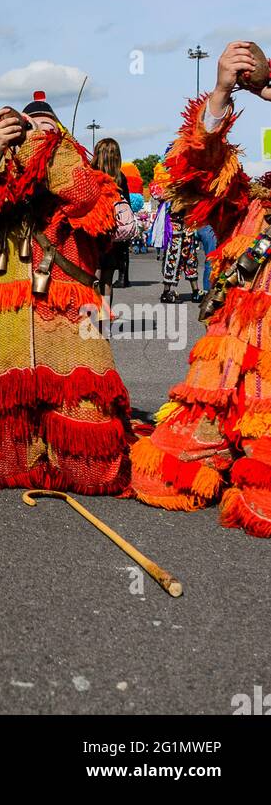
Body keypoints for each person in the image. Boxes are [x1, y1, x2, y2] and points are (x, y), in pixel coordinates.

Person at [0, 91, 132, 494]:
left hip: (68, 318)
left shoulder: (75, 161)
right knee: (2, 468)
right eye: (25, 128)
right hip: (6, 317)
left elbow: (82, 197)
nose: (32, 135)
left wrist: (45, 143)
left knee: (90, 471)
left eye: (43, 127)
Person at [132, 40, 271, 536]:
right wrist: (220, 95)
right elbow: (193, 170)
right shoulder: (252, 201)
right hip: (223, 386)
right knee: (159, 476)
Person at [91, 137, 132, 309]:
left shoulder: (90, 174)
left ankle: (92, 319)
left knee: (93, 278)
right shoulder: (120, 178)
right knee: (107, 280)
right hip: (114, 237)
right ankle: (106, 321)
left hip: (93, 233)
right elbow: (127, 206)